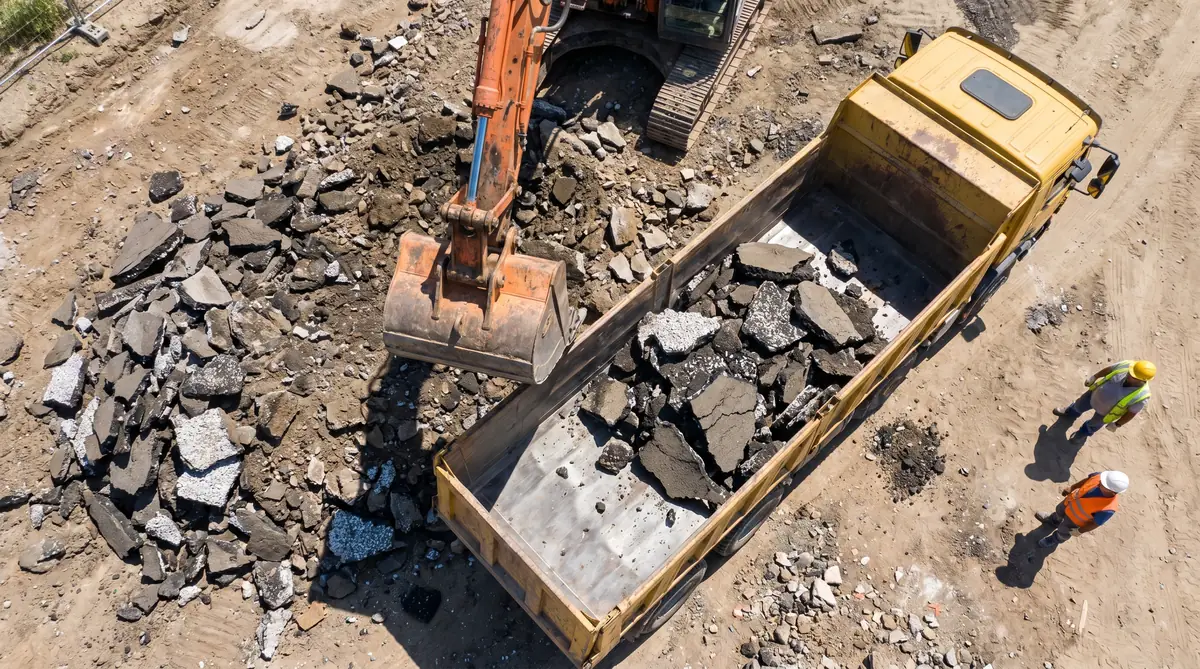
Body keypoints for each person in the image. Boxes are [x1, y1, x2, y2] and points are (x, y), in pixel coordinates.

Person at [1053, 360, 1153, 442]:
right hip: (1093, 395)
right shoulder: (1128, 365)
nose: (1129, 374)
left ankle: (1081, 434)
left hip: (1105, 413)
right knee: (1079, 404)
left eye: (1133, 375)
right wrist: (1095, 377)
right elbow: (1109, 369)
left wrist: (1117, 424)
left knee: (1093, 425)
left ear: (1142, 380)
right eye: (1130, 372)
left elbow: (1131, 413)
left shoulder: (1142, 396)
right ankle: (1070, 412)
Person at [1035, 470, 1127, 548]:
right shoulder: (1099, 476)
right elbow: (1086, 481)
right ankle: (1053, 520)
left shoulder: (1108, 509)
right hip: (1068, 503)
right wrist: (1072, 487)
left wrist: (1080, 531)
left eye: (1103, 484)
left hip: (1074, 521)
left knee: (1063, 532)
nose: (1100, 482)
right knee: (1059, 511)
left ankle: (1054, 539)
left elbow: (1095, 523)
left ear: (1112, 491)